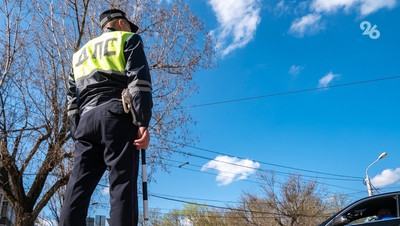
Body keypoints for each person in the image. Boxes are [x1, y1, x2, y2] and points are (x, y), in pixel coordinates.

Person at [59, 8, 153, 226]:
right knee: (122, 185)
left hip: (85, 123)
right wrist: (142, 122)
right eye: (129, 24)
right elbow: (140, 83)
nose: (131, 28)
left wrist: (77, 133)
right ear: (120, 23)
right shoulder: (129, 39)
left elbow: (71, 101)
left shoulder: (79, 55)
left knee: (76, 190)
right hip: (116, 115)